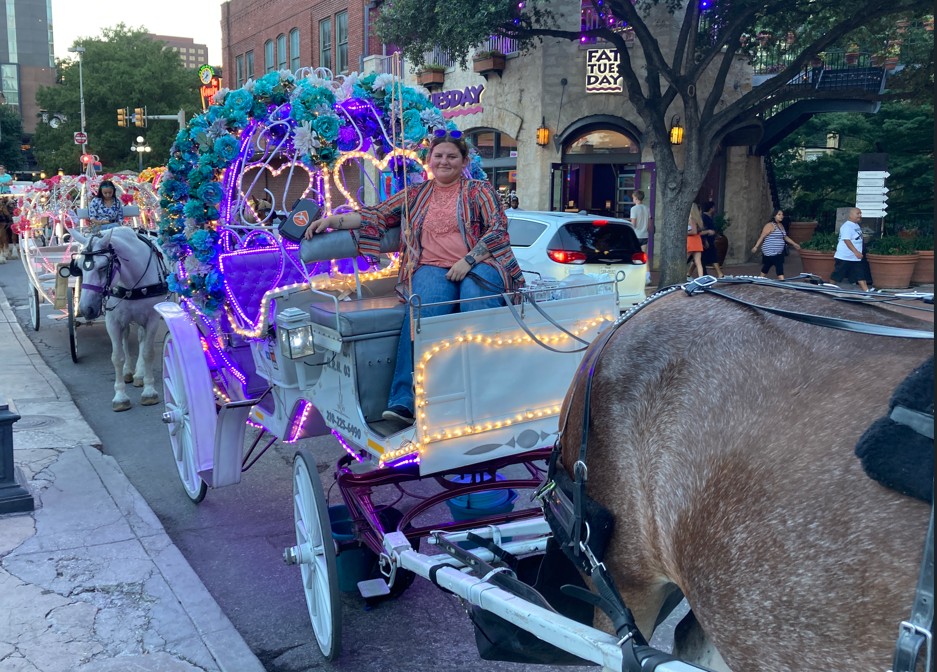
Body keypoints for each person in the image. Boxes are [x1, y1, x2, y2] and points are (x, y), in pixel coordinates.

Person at [304, 130, 525, 425]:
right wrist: (332, 220)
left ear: (464, 161)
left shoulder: (479, 190)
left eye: (452, 156)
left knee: (474, 300)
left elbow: (498, 229)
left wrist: (469, 260)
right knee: (421, 313)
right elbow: (376, 214)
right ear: (429, 160)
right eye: (439, 155)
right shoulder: (415, 195)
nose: (444, 161)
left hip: (481, 261)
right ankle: (405, 399)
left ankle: (483, 390)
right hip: (432, 266)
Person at [752, 208, 801, 280]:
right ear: (774, 216)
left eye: (782, 214)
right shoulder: (769, 225)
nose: (781, 216)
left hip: (778, 251)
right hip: (770, 250)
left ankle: (760, 278)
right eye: (779, 214)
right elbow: (762, 237)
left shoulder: (781, 225)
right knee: (779, 264)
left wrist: (794, 244)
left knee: (768, 264)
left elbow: (785, 237)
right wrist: (756, 247)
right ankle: (782, 280)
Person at [830, 207, 871, 292]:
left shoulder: (856, 225)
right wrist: (856, 252)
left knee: (860, 273)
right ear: (850, 215)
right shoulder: (847, 226)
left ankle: (866, 291)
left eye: (860, 213)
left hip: (855, 257)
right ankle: (829, 288)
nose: (860, 215)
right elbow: (847, 240)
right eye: (857, 213)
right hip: (845, 256)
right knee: (838, 274)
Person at [699, 200, 724, 278]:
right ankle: (720, 274)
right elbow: (701, 230)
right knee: (713, 257)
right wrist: (705, 240)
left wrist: (715, 235)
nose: (714, 209)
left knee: (698, 258)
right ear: (711, 208)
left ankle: (689, 273)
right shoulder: (704, 218)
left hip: (710, 240)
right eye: (713, 207)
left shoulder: (710, 217)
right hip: (707, 241)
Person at [686, 203, 705, 279]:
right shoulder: (698, 219)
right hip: (697, 240)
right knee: (698, 262)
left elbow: (693, 231)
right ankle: (701, 278)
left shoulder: (691, 218)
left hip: (691, 240)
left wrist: (684, 232)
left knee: (684, 260)